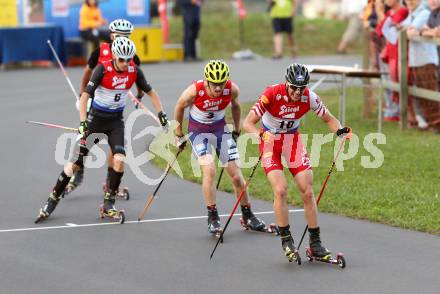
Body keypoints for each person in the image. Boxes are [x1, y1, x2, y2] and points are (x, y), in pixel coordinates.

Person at [35, 38, 169, 223]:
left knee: (120, 160)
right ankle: (53, 198)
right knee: (75, 163)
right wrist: (83, 123)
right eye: (122, 59)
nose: (125, 63)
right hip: (96, 120)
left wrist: (161, 114)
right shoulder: (102, 69)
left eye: (128, 59)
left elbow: (151, 92)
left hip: (115, 122)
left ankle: (108, 204)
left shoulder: (133, 71)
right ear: (114, 55)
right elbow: (85, 97)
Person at [243, 63, 351, 262]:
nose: (297, 92)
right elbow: (247, 123)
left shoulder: (309, 97)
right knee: (281, 189)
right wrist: (261, 134)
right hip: (270, 143)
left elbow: (329, 119)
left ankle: (316, 244)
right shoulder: (271, 93)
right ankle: (286, 240)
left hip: (292, 142)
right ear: (287, 83)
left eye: (301, 89)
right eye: (293, 87)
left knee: (307, 191)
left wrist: (341, 131)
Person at [174, 60, 266, 235]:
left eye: (221, 84)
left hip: (219, 130)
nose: (218, 88)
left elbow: (236, 106)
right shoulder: (194, 91)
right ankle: (212, 216)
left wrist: (237, 130)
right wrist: (178, 134)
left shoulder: (232, 89)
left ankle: (248, 214)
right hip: (198, 132)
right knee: (209, 171)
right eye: (214, 84)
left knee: (236, 176)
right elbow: (179, 106)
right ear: (207, 81)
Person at [66, 19, 142, 196]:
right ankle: (78, 173)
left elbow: (137, 77)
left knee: (115, 146)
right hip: (96, 98)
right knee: (84, 138)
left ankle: (110, 182)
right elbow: (87, 73)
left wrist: (138, 95)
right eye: (119, 35)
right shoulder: (100, 51)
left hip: (115, 105)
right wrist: (81, 95)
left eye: (126, 36)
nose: (122, 38)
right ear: (111, 35)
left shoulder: (132, 54)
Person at [404, 0, 440, 130]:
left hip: (427, 59)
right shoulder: (412, 13)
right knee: (422, 94)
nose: (410, 2)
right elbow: (405, 28)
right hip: (416, 59)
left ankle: (436, 124)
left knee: (431, 92)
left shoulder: (424, 13)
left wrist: (419, 31)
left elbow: (409, 30)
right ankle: (431, 123)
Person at [376, 0, 409, 121]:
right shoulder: (390, 12)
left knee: (396, 81)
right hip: (388, 51)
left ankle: (398, 112)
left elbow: (390, 27)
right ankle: (391, 110)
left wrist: (380, 12)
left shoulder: (402, 11)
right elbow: (380, 30)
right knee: (387, 82)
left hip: (398, 51)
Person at [421, 0, 440, 88]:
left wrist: (431, 32)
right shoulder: (433, 13)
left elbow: (438, 32)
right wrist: (428, 32)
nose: (432, 1)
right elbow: (424, 29)